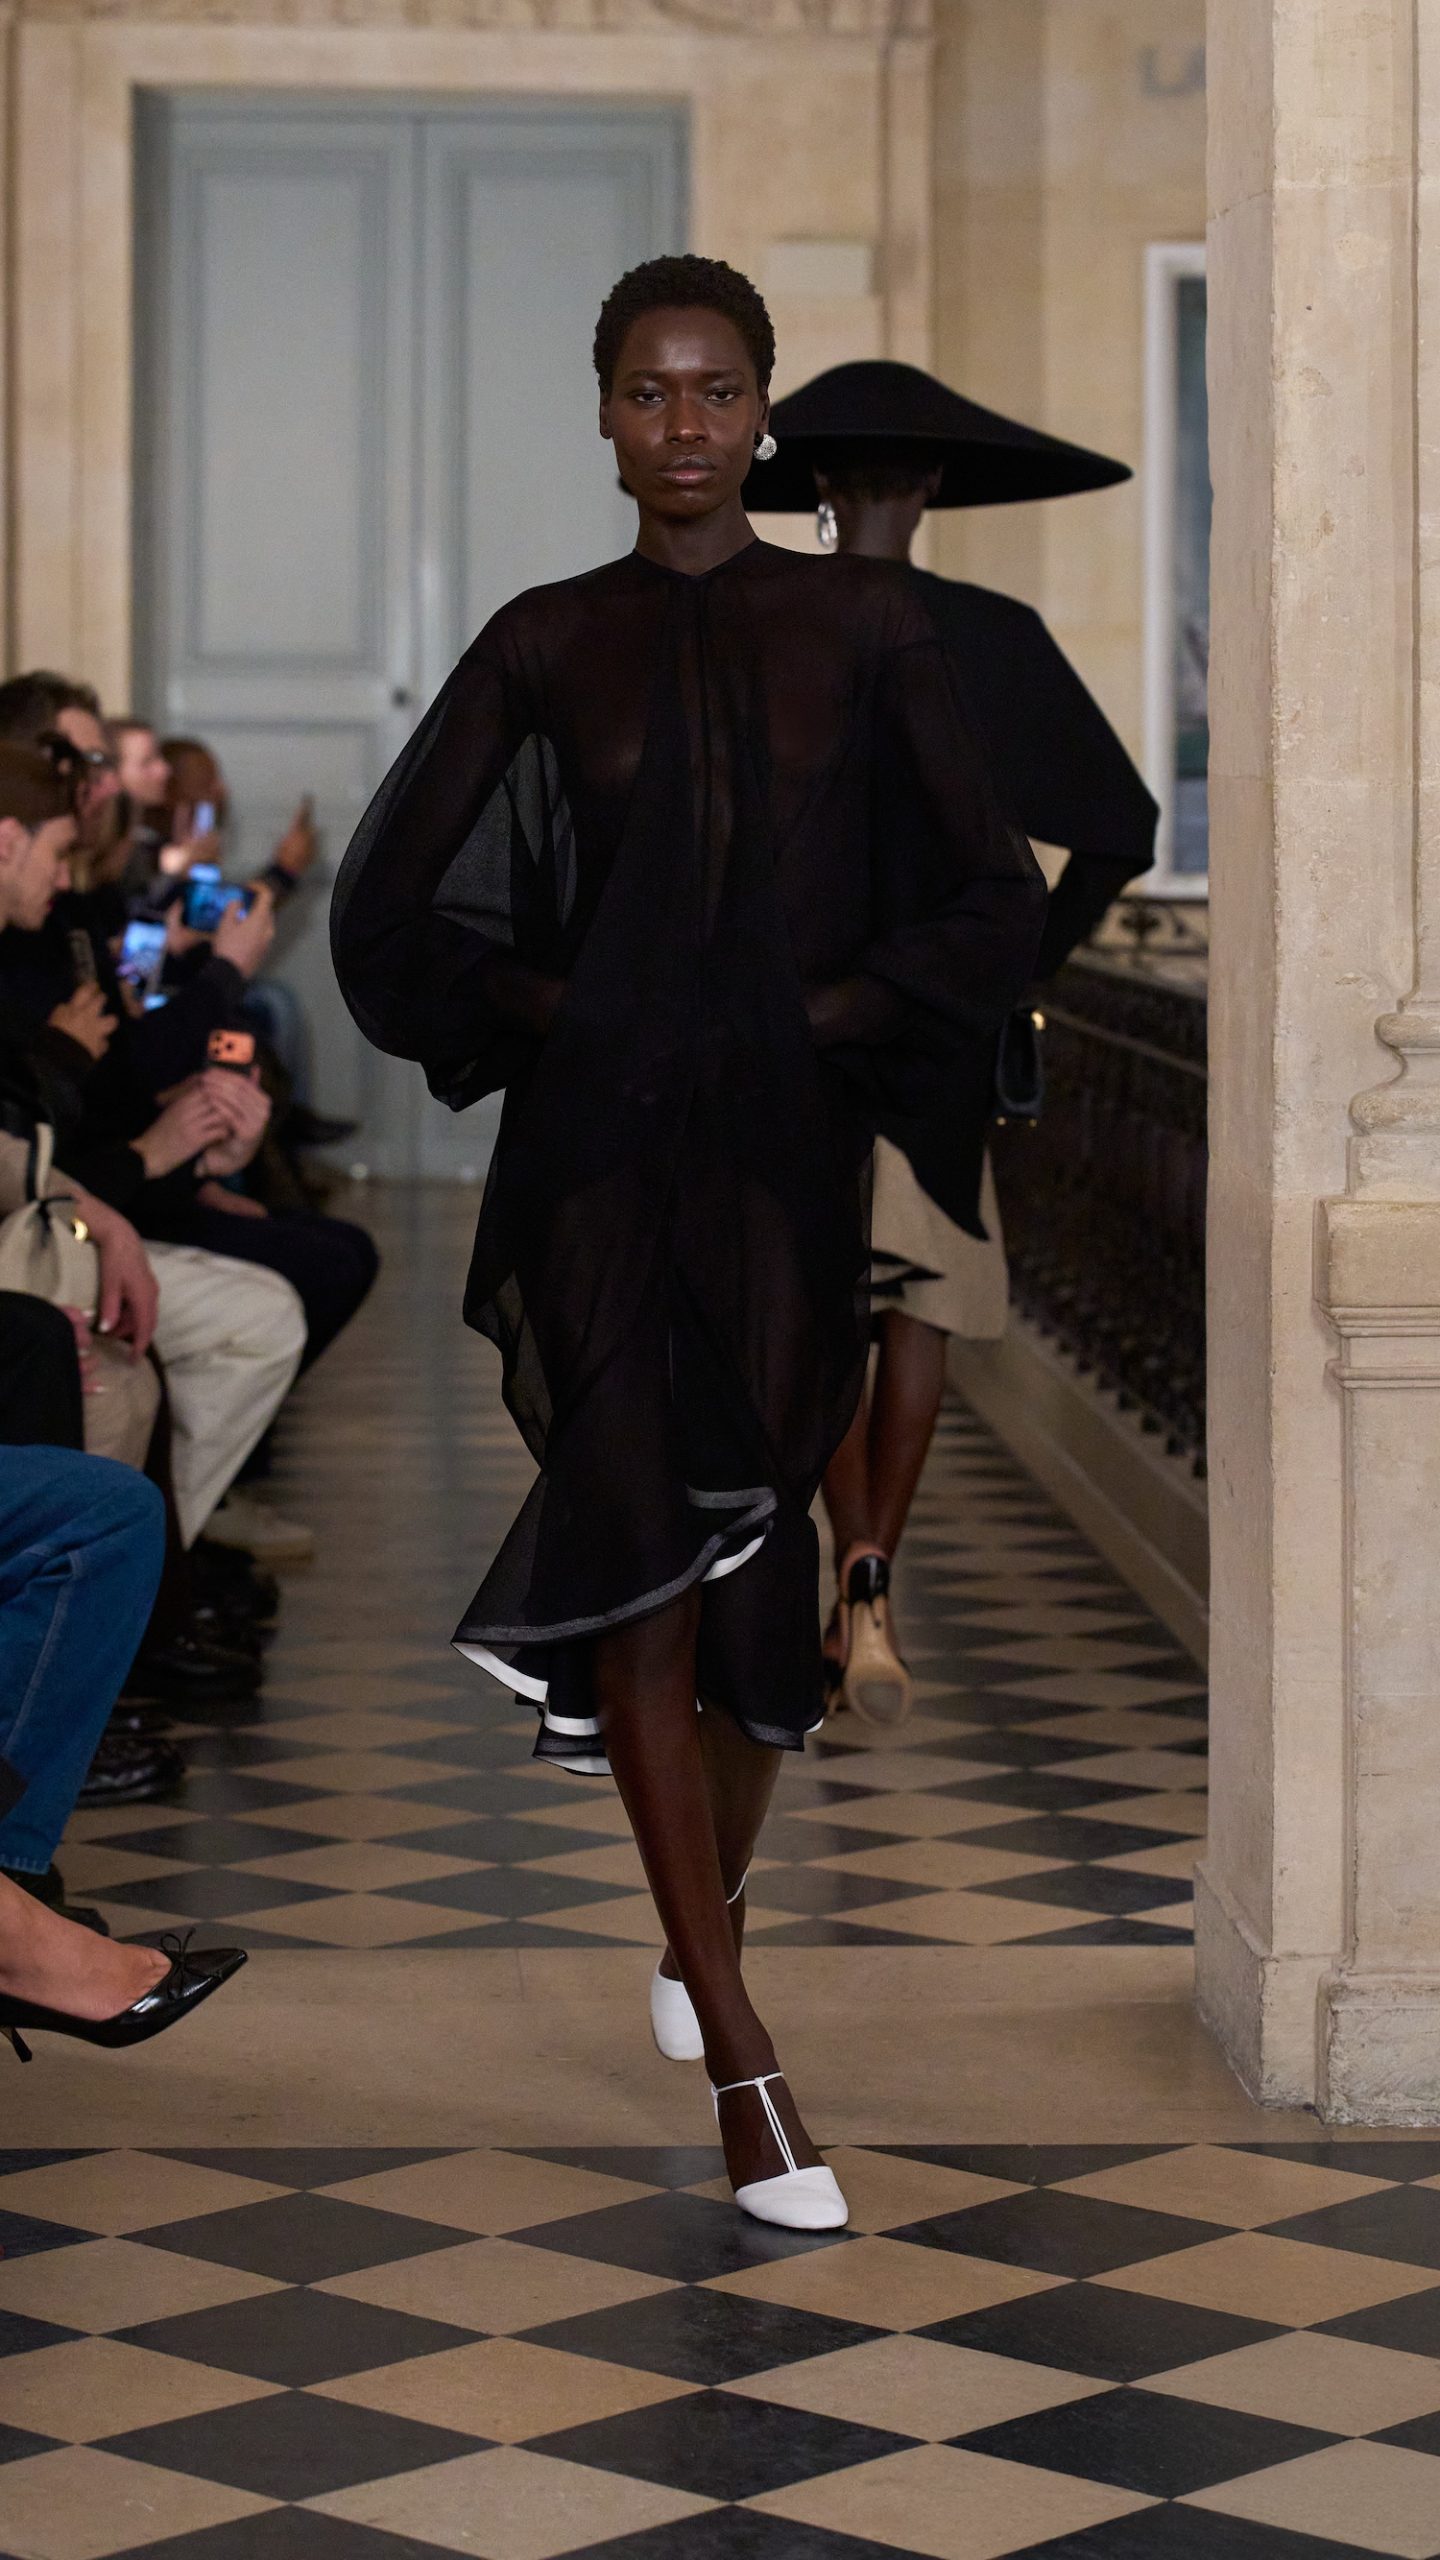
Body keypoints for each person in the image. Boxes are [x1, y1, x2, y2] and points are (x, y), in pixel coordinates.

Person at [333, 255, 1045, 2232]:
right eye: (648, 392)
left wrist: (815, 1020)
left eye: (717, 391)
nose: (684, 426)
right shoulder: (547, 640)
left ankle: (697, 1914)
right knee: (642, 1553)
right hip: (597, 1174)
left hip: (787, 1172)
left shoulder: (866, 625)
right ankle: (746, 2060)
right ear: (603, 413)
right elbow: (394, 912)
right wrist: (580, 1014)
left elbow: (986, 895)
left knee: (755, 1580)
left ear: (762, 411)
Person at [746, 360, 1160, 1721]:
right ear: (932, 485)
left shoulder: (758, 621)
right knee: (916, 1301)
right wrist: (1021, 969)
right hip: (939, 1028)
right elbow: (1122, 828)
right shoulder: (994, 634)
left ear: (817, 482)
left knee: (817, 1302)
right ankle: (872, 1579)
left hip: (799, 1020)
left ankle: (844, 1551)